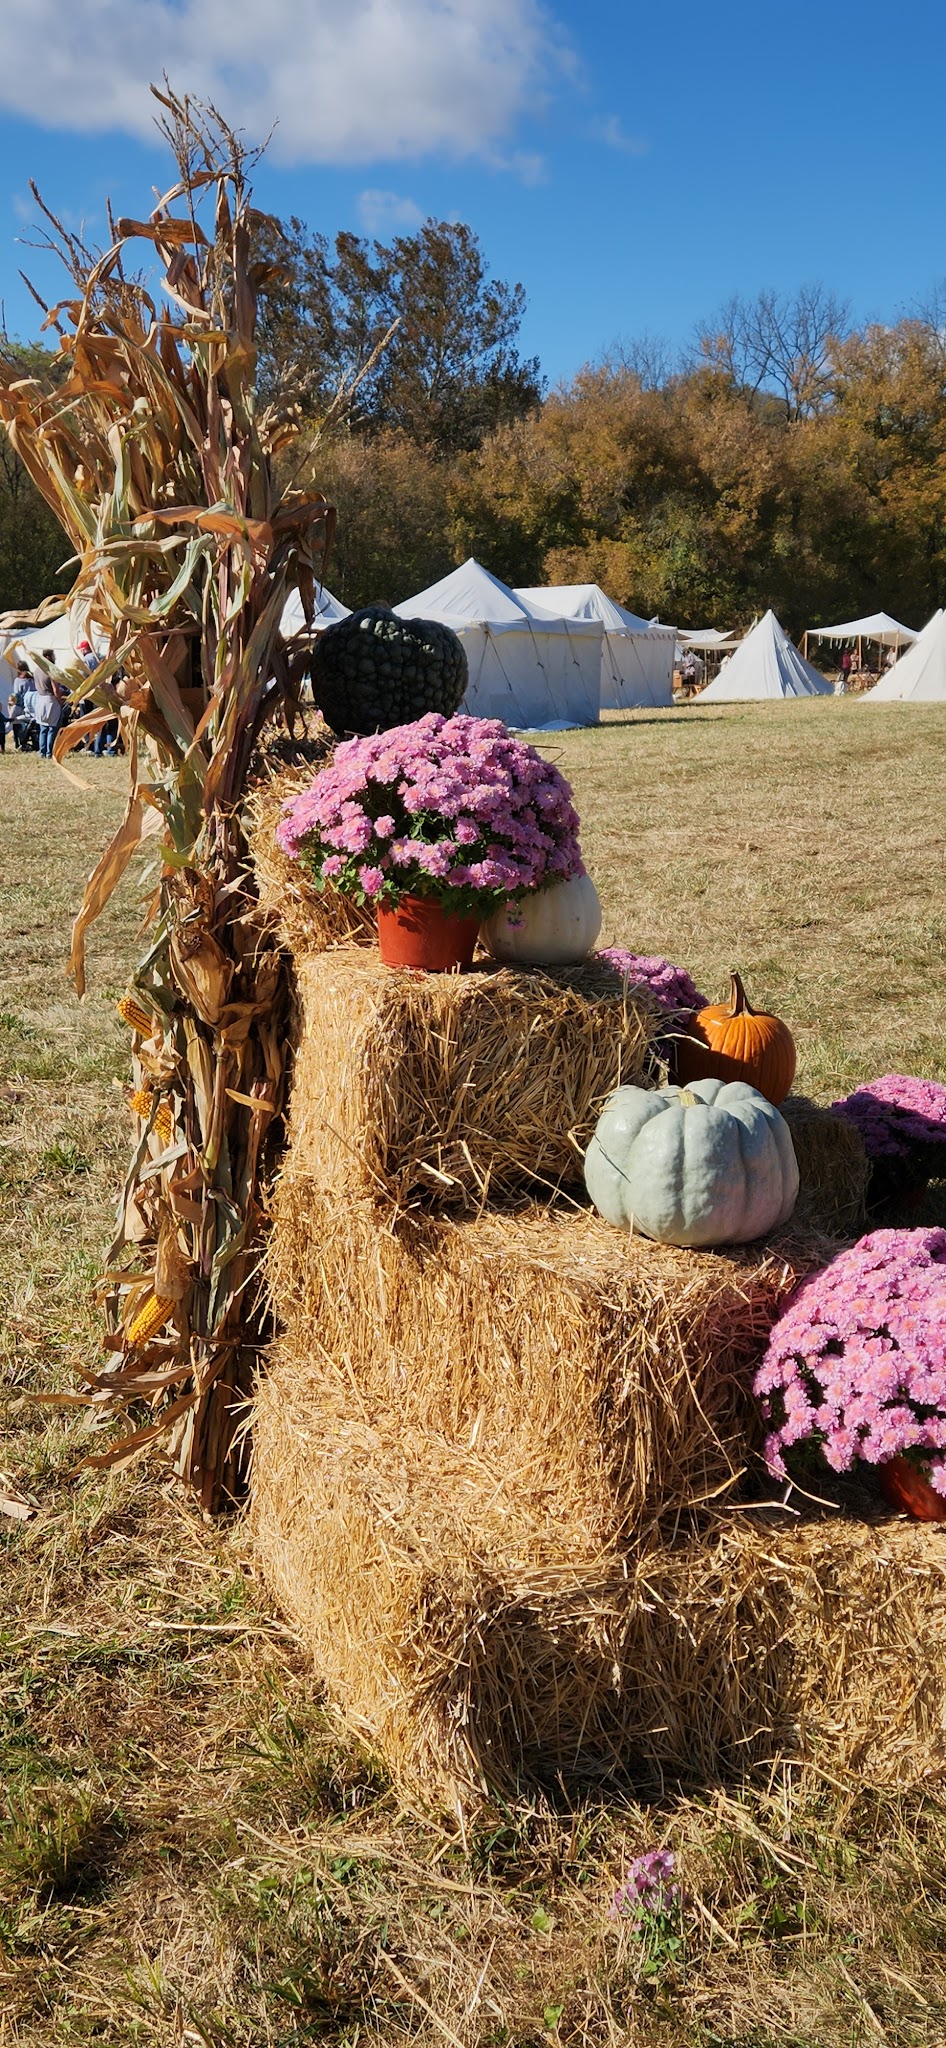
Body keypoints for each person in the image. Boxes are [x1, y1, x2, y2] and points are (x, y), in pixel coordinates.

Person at [27, 672, 64, 759]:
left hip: (40, 699)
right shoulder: (49, 672)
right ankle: (49, 752)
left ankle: (42, 751)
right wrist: (60, 701)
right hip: (50, 700)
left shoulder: (36, 671)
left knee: (43, 729)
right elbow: (55, 690)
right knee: (52, 728)